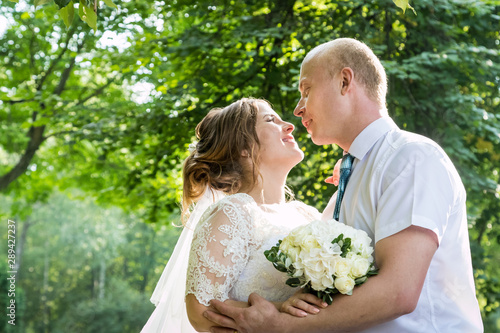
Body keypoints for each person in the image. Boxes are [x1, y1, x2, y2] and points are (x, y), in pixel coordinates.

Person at [205, 38, 484, 332]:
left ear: (344, 81)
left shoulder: (411, 158)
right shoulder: (351, 177)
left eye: (306, 90)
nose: (298, 110)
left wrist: (284, 327)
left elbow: (397, 292)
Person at [141, 98, 329, 333]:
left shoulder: (307, 214)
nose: (290, 125)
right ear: (244, 147)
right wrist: (281, 309)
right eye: (271, 120)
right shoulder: (233, 212)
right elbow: (201, 312)